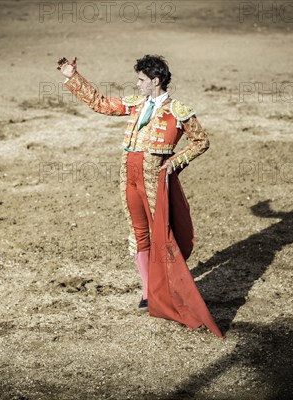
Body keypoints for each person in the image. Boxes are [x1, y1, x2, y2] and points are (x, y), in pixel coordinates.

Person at [57, 55, 222, 337]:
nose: (137, 84)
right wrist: (74, 77)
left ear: (155, 81)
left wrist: (177, 161)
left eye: (141, 80)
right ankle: (149, 293)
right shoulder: (136, 104)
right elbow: (100, 103)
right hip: (129, 176)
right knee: (138, 233)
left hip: (154, 180)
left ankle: (167, 290)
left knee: (162, 235)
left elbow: (201, 141)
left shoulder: (178, 111)